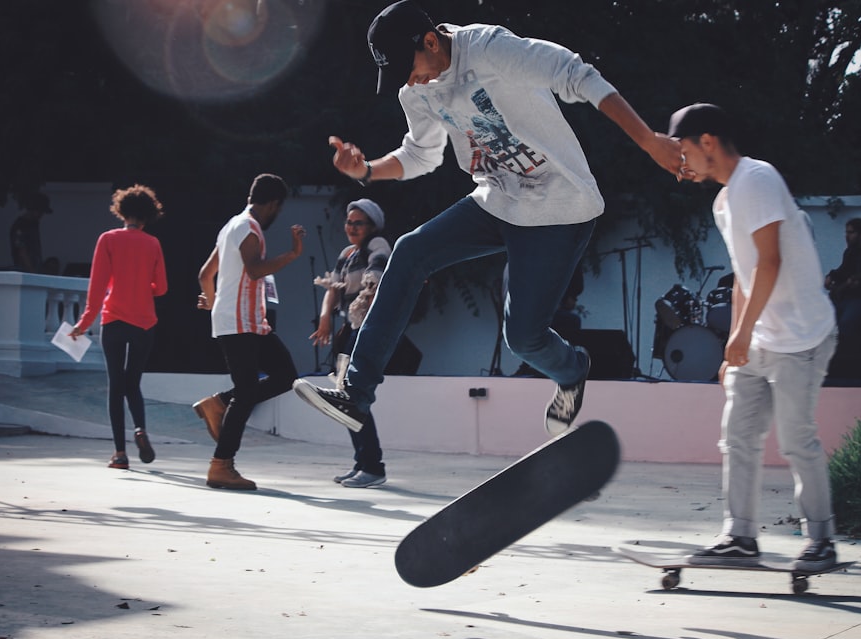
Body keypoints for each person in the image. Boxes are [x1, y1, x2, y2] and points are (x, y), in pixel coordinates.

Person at [293, 0, 682, 438]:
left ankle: (572, 370)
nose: (412, 79)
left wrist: (649, 141)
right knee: (410, 251)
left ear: (430, 40)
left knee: (523, 338)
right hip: (496, 200)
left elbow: (577, 74)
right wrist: (366, 170)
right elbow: (420, 155)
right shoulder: (416, 90)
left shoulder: (491, 49)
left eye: (412, 65)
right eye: (401, 73)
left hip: (561, 209)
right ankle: (356, 394)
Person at [670, 103, 839, 572]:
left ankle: (822, 540)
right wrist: (735, 345)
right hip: (761, 339)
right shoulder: (723, 201)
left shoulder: (758, 180)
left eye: (684, 149)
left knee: (796, 441)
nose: (682, 160)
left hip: (803, 338)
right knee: (738, 437)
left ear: (708, 142)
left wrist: (742, 334)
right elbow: (745, 273)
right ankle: (739, 536)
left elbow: (771, 261)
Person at [193, 174, 305, 491]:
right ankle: (221, 466)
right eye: (277, 209)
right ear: (272, 204)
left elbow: (205, 275)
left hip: (245, 322)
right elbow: (255, 269)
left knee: (285, 376)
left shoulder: (231, 226)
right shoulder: (249, 228)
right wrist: (293, 254)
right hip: (242, 324)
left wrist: (215, 306)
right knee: (246, 393)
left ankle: (218, 404)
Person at [70, 185, 168, 470]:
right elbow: (161, 288)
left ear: (121, 212)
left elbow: (97, 288)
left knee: (116, 386)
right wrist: (141, 284)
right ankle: (140, 429)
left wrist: (83, 324)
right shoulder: (153, 244)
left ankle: (120, 454)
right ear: (149, 215)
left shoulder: (108, 240)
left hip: (114, 320)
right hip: (144, 323)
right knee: (133, 383)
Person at [310, 199, 391, 488]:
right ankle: (362, 463)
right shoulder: (346, 254)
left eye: (359, 223)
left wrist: (364, 301)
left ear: (372, 226)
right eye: (349, 222)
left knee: (355, 397)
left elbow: (376, 277)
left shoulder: (377, 245)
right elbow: (332, 289)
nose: (352, 227)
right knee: (345, 398)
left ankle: (373, 466)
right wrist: (324, 320)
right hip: (350, 329)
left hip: (367, 330)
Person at [10, 192, 53, 273]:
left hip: (34, 270)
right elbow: (22, 252)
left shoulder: (33, 224)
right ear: (33, 209)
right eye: (40, 211)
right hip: (25, 273)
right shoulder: (20, 225)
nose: (41, 215)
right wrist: (32, 272)